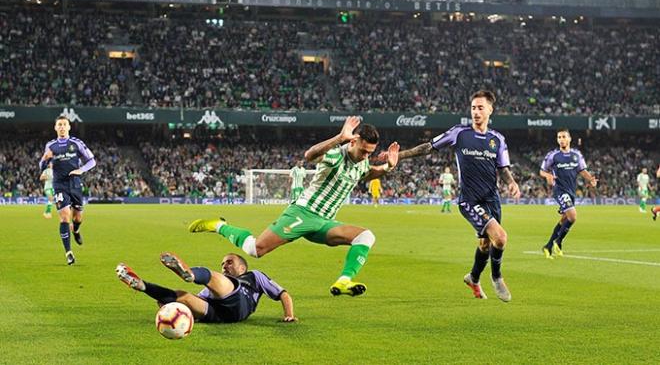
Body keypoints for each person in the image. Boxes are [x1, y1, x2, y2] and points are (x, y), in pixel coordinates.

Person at [188, 117, 400, 297]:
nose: (366, 156)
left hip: (325, 223)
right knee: (255, 249)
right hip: (303, 213)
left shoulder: (362, 161)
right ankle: (218, 225)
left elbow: (367, 172)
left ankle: (344, 281)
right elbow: (310, 155)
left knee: (366, 236)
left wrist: (388, 166)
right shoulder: (337, 154)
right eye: (363, 150)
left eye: (369, 153)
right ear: (353, 141)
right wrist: (339, 138)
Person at [395, 90, 519, 302]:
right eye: (473, 108)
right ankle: (497, 277)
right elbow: (428, 147)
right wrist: (400, 155)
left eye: (480, 108)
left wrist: (512, 182)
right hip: (469, 200)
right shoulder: (459, 133)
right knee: (500, 237)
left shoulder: (497, 139)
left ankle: (473, 277)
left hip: (492, 199)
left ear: (490, 110)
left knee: (485, 245)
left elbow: (503, 168)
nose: (476, 112)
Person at [116, 252, 297, 323]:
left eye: (229, 262)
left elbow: (284, 294)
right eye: (223, 263)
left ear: (242, 267)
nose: (225, 265)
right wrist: (170, 305)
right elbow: (199, 300)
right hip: (217, 314)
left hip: (240, 303)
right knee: (182, 297)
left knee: (220, 280)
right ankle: (142, 285)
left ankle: (191, 275)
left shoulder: (254, 276)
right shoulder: (218, 285)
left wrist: (289, 314)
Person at [39, 116, 95, 265]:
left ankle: (76, 230)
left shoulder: (76, 143)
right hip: (59, 185)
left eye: (64, 124)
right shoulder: (50, 146)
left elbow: (92, 161)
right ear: (55, 128)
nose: (62, 127)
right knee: (64, 217)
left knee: (77, 218)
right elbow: (42, 166)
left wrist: (81, 170)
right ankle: (68, 253)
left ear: (69, 127)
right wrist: (44, 160)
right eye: (59, 125)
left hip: (75, 184)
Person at [539, 129, 598, 259]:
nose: (561, 139)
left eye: (564, 137)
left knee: (565, 219)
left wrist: (591, 180)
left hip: (571, 191)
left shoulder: (577, 155)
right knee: (573, 216)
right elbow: (542, 171)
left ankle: (548, 246)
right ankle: (558, 242)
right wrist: (548, 175)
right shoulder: (553, 155)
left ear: (569, 139)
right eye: (559, 137)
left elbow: (582, 170)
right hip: (559, 190)